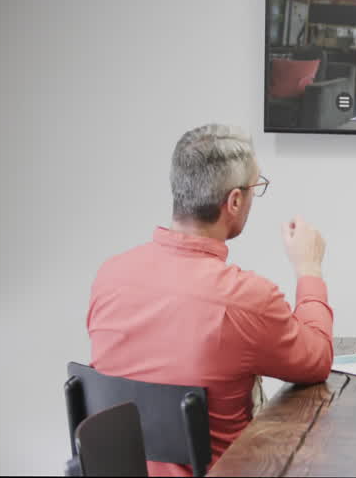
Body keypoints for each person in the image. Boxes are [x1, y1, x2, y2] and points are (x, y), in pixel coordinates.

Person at [86, 124, 333, 477]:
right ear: (234, 201)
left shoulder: (109, 277)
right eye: (254, 188)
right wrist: (309, 269)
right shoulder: (246, 299)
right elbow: (318, 360)